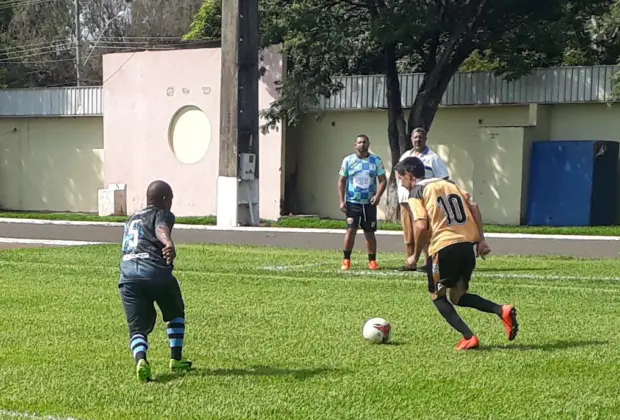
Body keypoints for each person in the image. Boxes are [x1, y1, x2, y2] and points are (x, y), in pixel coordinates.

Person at [395, 157, 518, 350]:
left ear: (409, 176)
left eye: (400, 178)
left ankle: (469, 337)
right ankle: (501, 310)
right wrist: (481, 239)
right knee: (458, 296)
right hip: (466, 247)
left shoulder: (416, 192)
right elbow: (474, 206)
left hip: (443, 247)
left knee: (437, 295)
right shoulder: (449, 184)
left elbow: (420, 225)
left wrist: (415, 256)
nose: (400, 182)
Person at [118, 180, 192, 382]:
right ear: (165, 199)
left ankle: (141, 360)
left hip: (128, 277)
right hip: (155, 272)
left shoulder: (132, 218)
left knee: (137, 328)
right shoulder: (162, 212)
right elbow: (161, 228)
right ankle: (176, 358)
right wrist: (168, 243)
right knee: (175, 312)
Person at [397, 127, 449, 272]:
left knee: (424, 231)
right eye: (415, 137)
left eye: (420, 137)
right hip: (406, 200)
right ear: (411, 139)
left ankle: (428, 263)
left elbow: (444, 177)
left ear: (425, 139)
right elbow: (398, 172)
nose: (418, 140)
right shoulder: (406, 155)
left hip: (422, 200)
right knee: (409, 235)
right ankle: (411, 263)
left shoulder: (433, 158)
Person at [338, 134, 387, 270]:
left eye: (364, 142)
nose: (362, 145)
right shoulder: (348, 161)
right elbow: (342, 181)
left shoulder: (375, 161)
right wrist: (342, 201)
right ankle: (346, 260)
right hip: (353, 202)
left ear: (368, 144)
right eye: (359, 142)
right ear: (355, 145)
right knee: (351, 230)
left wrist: (377, 197)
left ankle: (372, 261)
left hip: (369, 203)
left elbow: (383, 180)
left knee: (369, 232)